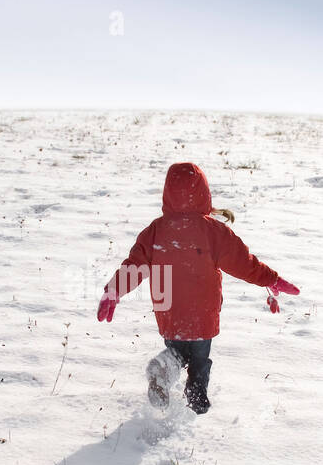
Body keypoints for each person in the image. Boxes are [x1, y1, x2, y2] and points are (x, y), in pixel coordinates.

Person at [97, 161, 299, 414]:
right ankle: (197, 400)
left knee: (177, 350)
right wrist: (271, 279)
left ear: (167, 192)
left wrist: (114, 290)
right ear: (203, 191)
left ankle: (165, 368)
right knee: (199, 359)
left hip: (168, 306)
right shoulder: (214, 231)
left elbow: (135, 265)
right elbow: (244, 264)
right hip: (203, 310)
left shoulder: (155, 231)